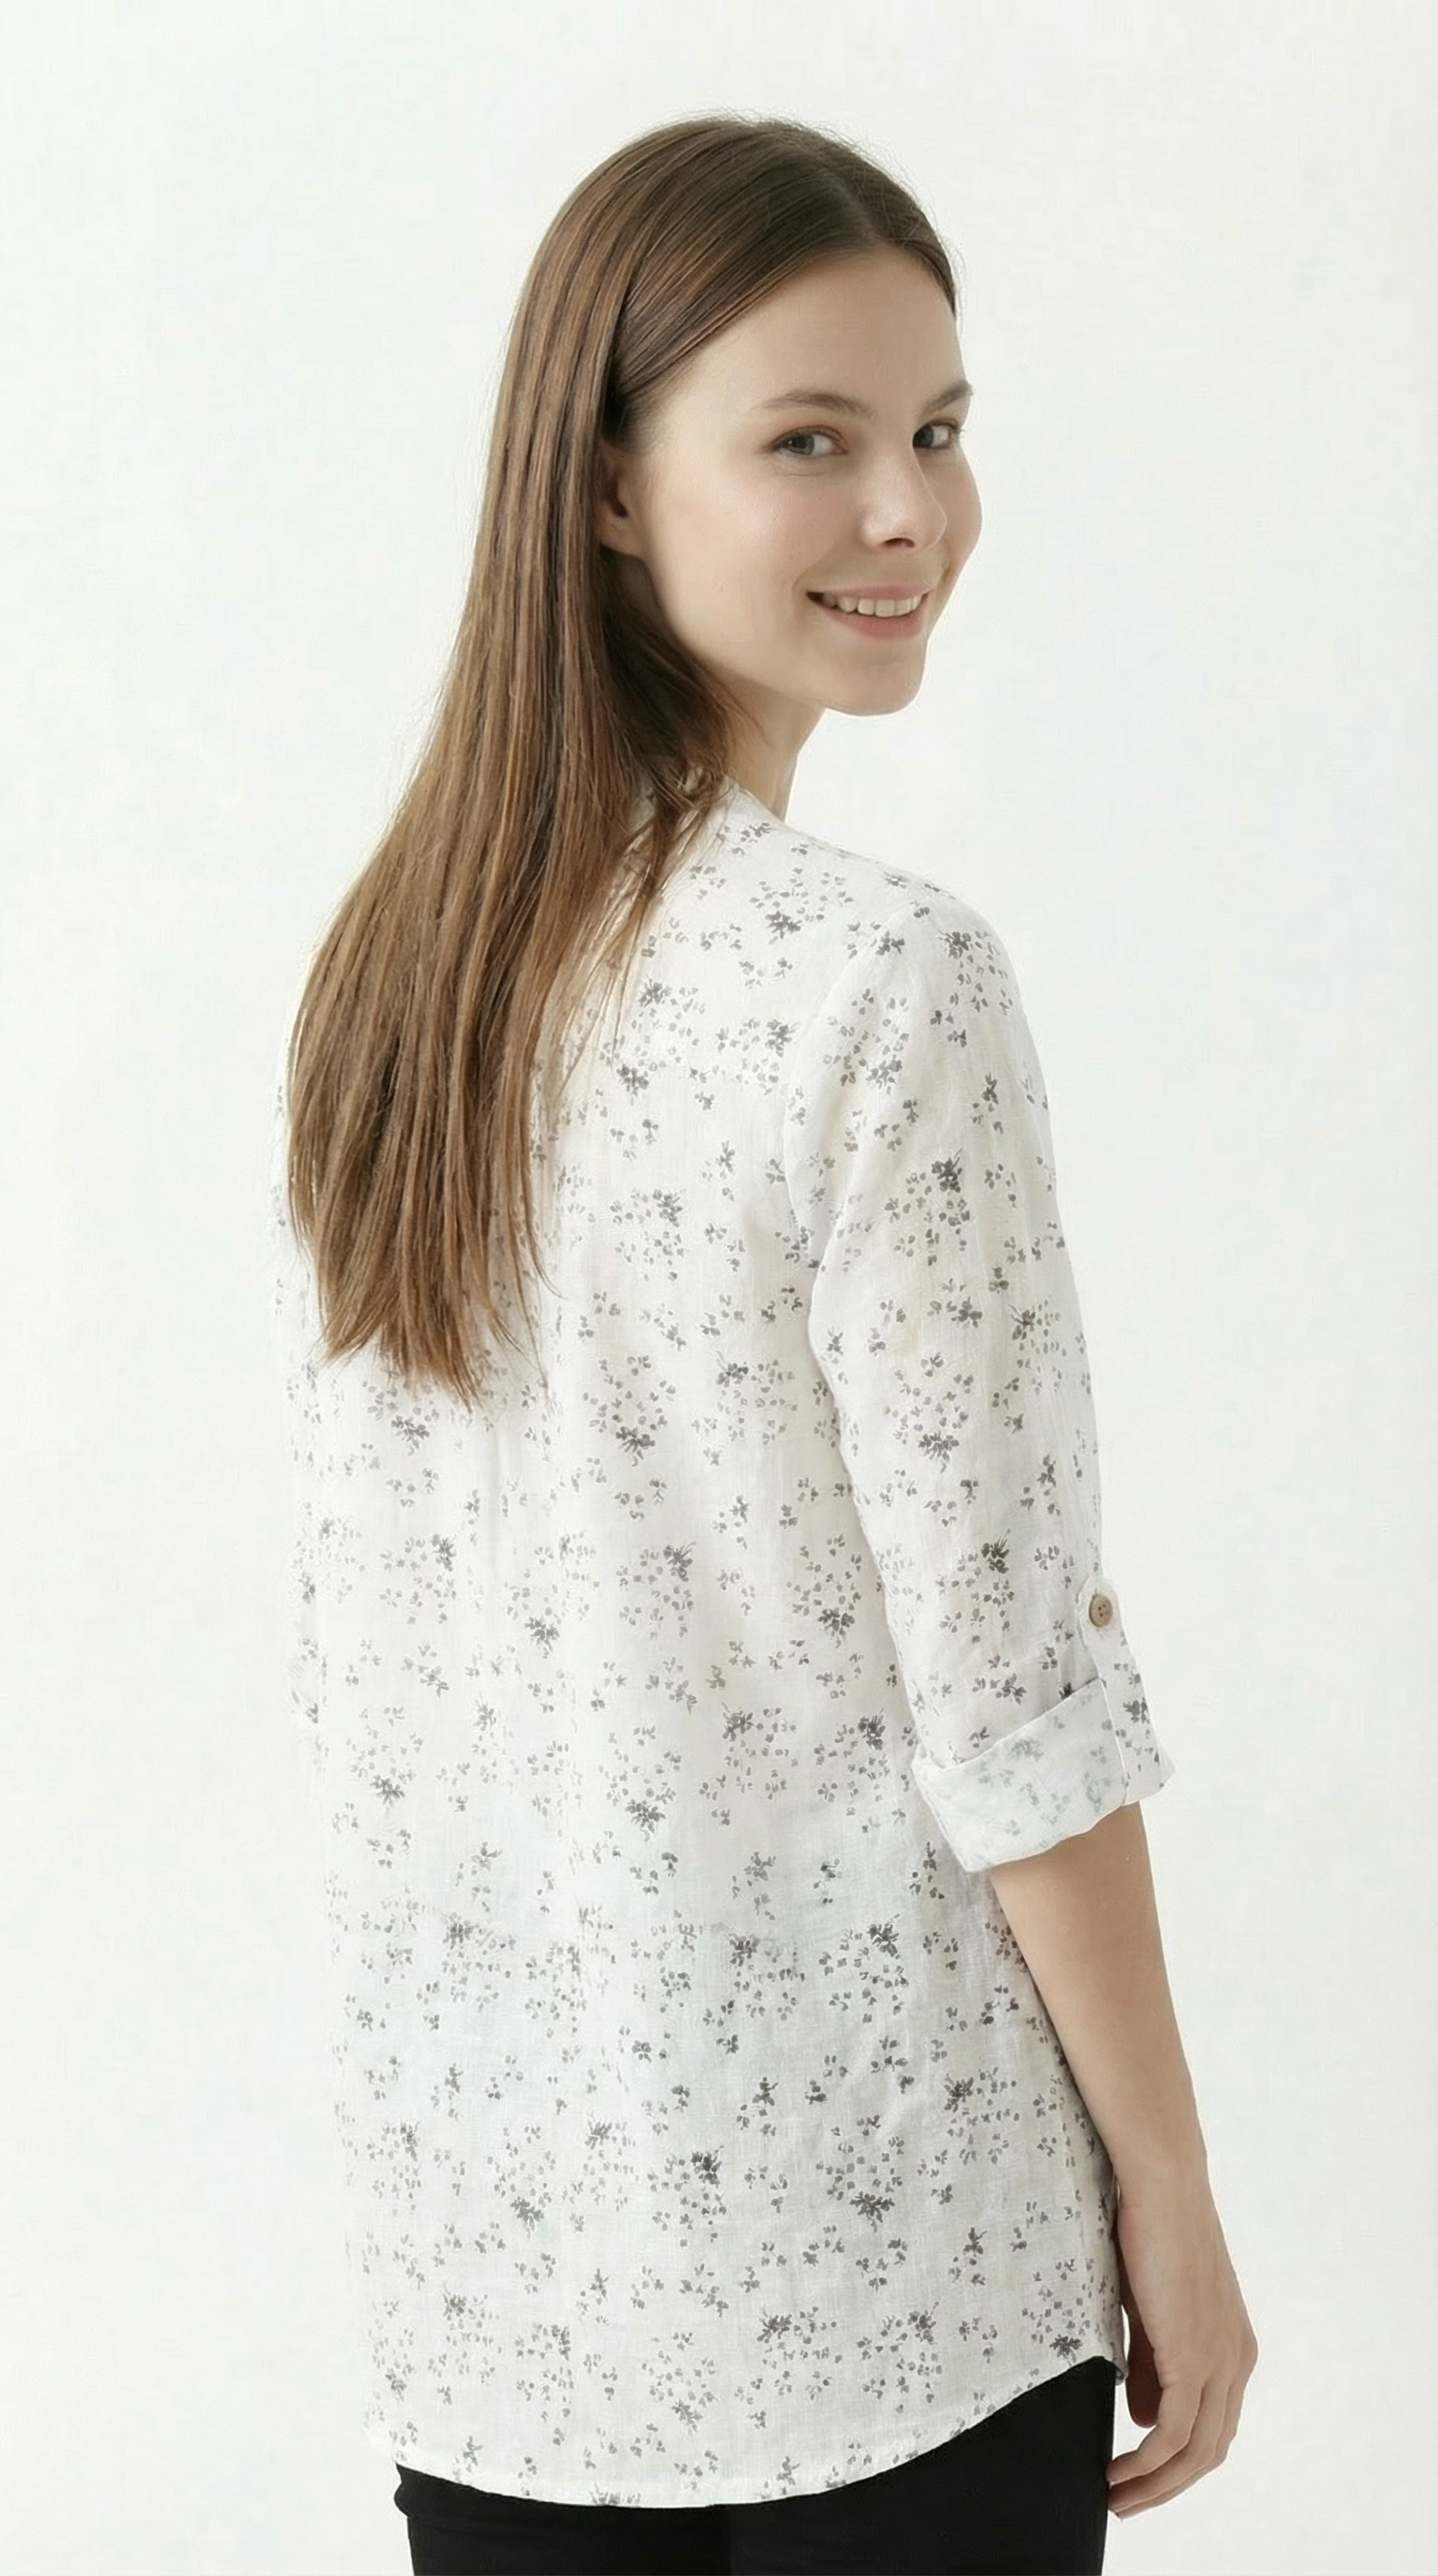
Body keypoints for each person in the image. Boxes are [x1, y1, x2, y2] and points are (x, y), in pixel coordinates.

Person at [266, 112, 1257, 2576]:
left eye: (939, 430)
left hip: (507, 2274)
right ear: (606, 492)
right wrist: (1175, 2193)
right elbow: (1005, 1691)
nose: (904, 514)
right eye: (808, 441)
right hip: (891, 2278)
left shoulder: (404, 990)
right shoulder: (878, 988)